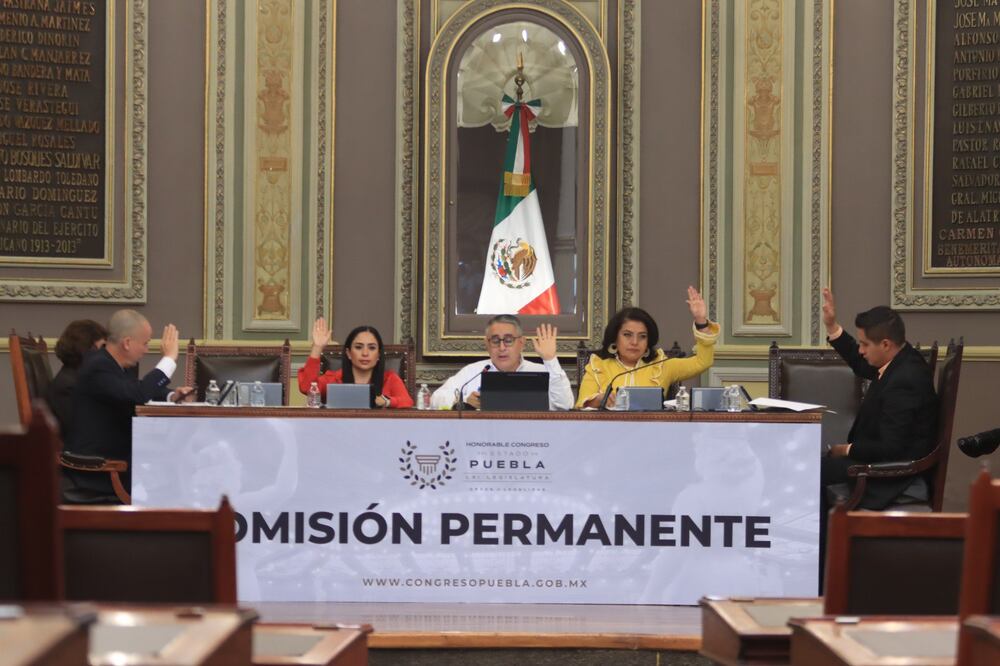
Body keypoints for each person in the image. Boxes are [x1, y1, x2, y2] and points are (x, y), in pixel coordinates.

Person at [820, 288, 937, 509]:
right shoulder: (901, 359)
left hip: (892, 477)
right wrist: (832, 327)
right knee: (816, 467)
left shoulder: (906, 380)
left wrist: (846, 449)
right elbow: (861, 363)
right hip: (881, 464)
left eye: (864, 344)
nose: (861, 350)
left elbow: (890, 448)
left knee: (812, 472)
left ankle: (822, 544)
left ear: (885, 344)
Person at [63, 310, 194, 503]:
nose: (147, 349)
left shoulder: (112, 365)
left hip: (120, 459)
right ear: (127, 343)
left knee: (177, 462)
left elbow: (134, 389)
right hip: (101, 471)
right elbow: (137, 394)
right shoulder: (98, 366)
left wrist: (172, 395)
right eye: (145, 343)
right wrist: (169, 359)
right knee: (177, 470)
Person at [576, 286, 720, 408]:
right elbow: (582, 404)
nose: (634, 342)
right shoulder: (598, 365)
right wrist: (599, 400)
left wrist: (701, 321)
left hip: (653, 434)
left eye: (642, 336)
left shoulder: (661, 365)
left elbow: (703, 362)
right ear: (615, 337)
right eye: (627, 335)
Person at [430, 315, 573, 410]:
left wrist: (550, 359)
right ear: (487, 343)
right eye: (495, 340)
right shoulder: (473, 372)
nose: (502, 347)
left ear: (522, 343)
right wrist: (463, 402)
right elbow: (436, 399)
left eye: (509, 340)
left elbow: (565, 405)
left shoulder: (542, 371)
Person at [297, 318, 414, 408]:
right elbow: (307, 388)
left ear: (378, 355)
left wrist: (386, 401)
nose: (365, 353)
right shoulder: (334, 379)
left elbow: (407, 402)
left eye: (372, 348)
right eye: (358, 347)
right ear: (348, 353)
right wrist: (317, 348)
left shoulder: (390, 379)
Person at [45, 319, 108, 439]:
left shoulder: (78, 378)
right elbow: (86, 431)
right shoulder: (67, 386)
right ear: (86, 348)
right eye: (102, 347)